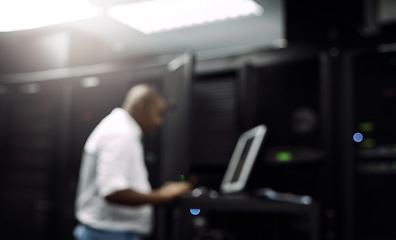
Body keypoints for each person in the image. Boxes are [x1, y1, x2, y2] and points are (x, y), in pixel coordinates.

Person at [74, 84, 194, 240]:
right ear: (141, 105)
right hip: (109, 234)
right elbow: (113, 191)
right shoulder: (120, 133)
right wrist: (162, 195)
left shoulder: (121, 129)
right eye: (159, 114)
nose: (160, 122)